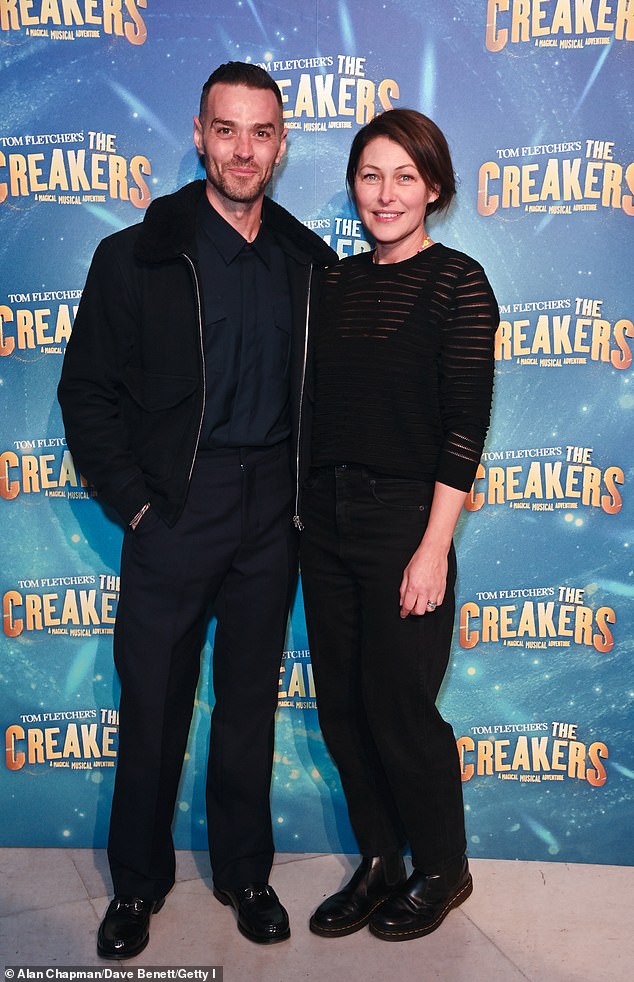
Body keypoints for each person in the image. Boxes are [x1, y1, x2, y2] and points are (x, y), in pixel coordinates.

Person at [58, 61, 336, 957]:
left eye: (261, 133)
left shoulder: (306, 260)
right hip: (178, 505)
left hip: (270, 514)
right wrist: (136, 505)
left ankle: (245, 875)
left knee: (250, 703)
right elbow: (85, 393)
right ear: (199, 132)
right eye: (227, 130)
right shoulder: (139, 252)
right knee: (154, 707)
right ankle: (136, 890)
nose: (243, 150)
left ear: (281, 144)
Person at [299, 109, 498, 942]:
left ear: (435, 189)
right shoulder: (332, 284)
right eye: (371, 175)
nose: (385, 194)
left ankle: (444, 869)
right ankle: (381, 860)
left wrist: (431, 549)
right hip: (326, 521)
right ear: (354, 185)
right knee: (342, 709)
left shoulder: (459, 282)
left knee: (402, 709)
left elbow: (464, 429)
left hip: (406, 522)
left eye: (404, 177)